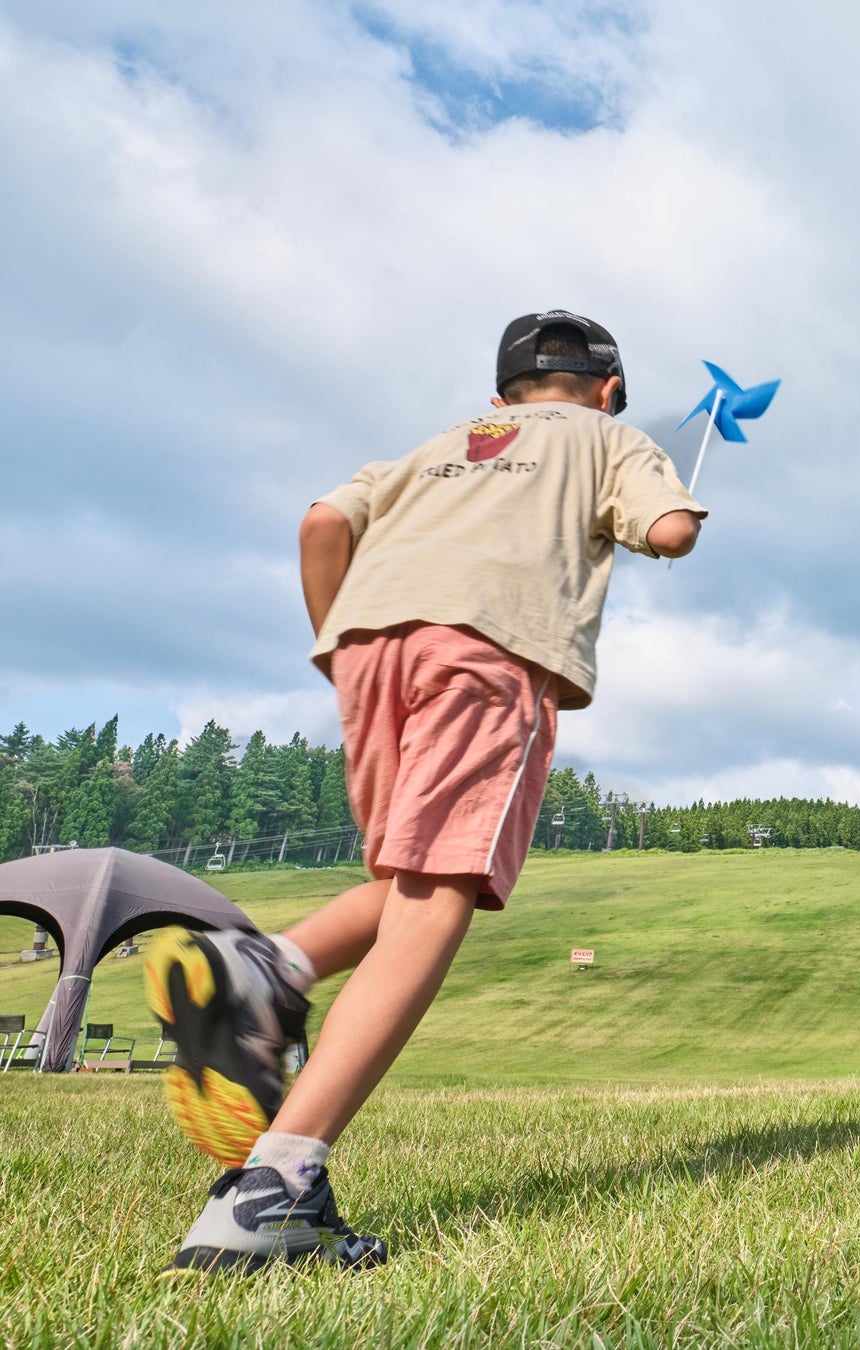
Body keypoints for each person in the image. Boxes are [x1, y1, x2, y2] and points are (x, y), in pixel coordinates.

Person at [145, 311, 706, 1273]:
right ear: (608, 389)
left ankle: (266, 969)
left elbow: (323, 523)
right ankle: (274, 1189)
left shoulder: (442, 446)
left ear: (503, 397)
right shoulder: (616, 437)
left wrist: (340, 650)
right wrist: (676, 501)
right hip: (487, 647)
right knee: (441, 897)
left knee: (414, 876)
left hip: (370, 647)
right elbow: (669, 532)